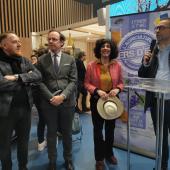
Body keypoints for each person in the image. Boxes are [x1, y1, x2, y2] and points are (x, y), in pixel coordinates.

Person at [0, 32, 42, 170]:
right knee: (4, 144)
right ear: (3, 45)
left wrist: (17, 77)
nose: (19, 44)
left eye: (19, 41)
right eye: (14, 41)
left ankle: (23, 167)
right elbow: (1, 84)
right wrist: (26, 80)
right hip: (6, 112)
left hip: (26, 109)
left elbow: (38, 75)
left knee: (23, 142)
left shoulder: (24, 60)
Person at [37, 29, 77, 170]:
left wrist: (63, 96)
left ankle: (68, 160)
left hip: (67, 103)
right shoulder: (41, 60)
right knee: (51, 133)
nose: (51, 42)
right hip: (49, 104)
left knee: (67, 133)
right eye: (49, 39)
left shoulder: (70, 59)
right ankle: (52, 161)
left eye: (54, 39)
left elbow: (73, 81)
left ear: (61, 42)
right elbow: (39, 82)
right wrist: (51, 97)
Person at [84, 38, 124, 170]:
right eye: (103, 46)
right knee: (98, 131)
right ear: (99, 49)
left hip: (113, 101)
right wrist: (96, 90)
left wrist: (117, 89)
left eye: (108, 46)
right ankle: (99, 158)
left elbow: (121, 83)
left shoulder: (117, 65)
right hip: (97, 99)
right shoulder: (91, 65)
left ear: (111, 50)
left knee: (110, 130)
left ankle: (109, 153)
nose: (105, 48)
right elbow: (86, 83)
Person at [138, 18, 170, 170]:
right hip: (157, 101)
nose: (157, 30)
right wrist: (145, 62)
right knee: (161, 138)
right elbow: (142, 74)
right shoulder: (153, 48)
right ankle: (162, 166)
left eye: (161, 27)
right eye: (156, 28)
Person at [31, 53, 47, 151]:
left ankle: (41, 141)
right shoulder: (38, 68)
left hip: (37, 96)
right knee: (47, 118)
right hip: (43, 96)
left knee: (42, 118)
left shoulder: (33, 68)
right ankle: (43, 141)